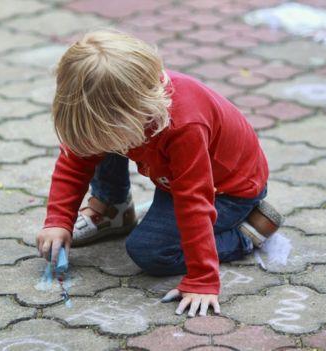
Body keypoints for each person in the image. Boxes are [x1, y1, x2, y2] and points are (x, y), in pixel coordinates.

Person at [36, 29, 283, 317]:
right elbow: (76, 158)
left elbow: (194, 203)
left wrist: (202, 279)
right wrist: (58, 220)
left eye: (108, 130)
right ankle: (113, 211)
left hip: (225, 191)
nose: (93, 143)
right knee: (95, 140)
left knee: (149, 251)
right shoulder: (124, 102)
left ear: (133, 113)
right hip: (174, 173)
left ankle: (248, 233)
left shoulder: (185, 126)